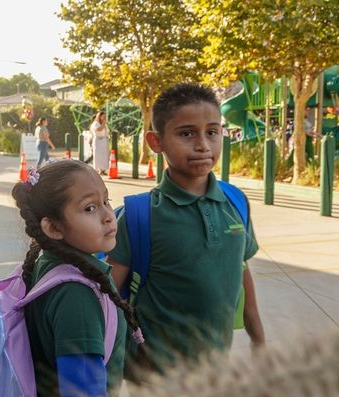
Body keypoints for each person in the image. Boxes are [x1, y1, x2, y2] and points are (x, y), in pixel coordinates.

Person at [107, 83, 265, 379]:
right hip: (154, 372)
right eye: (187, 133)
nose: (203, 145)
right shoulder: (139, 216)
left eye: (213, 132)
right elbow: (108, 299)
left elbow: (239, 267)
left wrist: (259, 340)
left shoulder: (235, 202)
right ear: (156, 141)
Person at [10, 159, 143, 397]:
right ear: (53, 228)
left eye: (106, 201)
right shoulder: (76, 295)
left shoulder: (48, 263)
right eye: (90, 208)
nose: (108, 215)